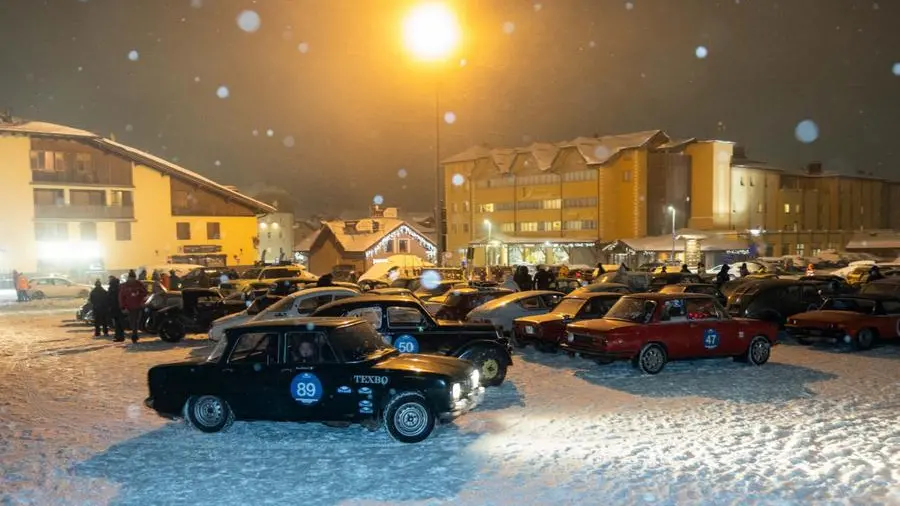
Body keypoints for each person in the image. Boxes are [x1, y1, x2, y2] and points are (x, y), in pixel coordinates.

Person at [119, 270, 148, 343]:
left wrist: (140, 291)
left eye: (133, 278)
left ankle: (134, 334)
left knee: (136, 321)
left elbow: (145, 293)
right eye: (131, 278)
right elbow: (121, 297)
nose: (132, 279)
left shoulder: (139, 284)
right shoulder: (125, 285)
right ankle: (134, 335)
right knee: (133, 321)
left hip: (138, 306)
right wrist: (123, 307)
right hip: (130, 307)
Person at [107, 276, 125, 341]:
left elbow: (109, 298)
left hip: (115, 308)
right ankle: (120, 336)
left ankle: (118, 336)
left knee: (117, 323)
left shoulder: (112, 288)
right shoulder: (119, 287)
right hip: (119, 307)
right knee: (119, 323)